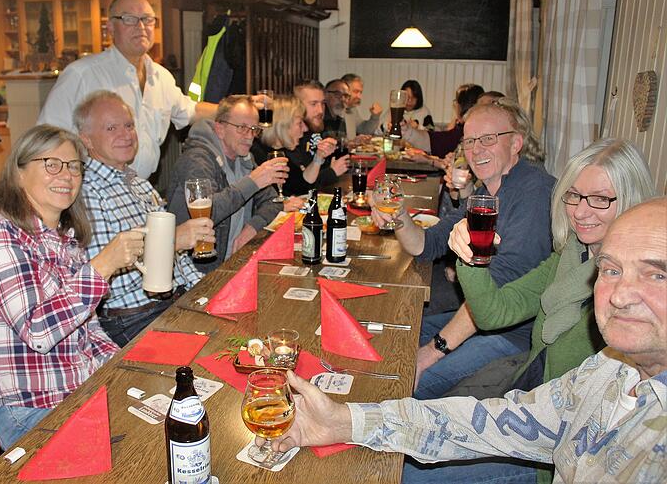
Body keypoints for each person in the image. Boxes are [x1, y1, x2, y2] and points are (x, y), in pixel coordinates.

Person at [259, 197, 667, 484]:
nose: (620, 294)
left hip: (512, 357)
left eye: (657, 274)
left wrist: (433, 351)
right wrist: (343, 420)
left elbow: (495, 317)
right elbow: (490, 422)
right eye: (611, 270)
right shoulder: (608, 368)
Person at [404, 139, 655, 483]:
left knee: (411, 472)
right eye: (574, 196)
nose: (581, 211)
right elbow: (494, 312)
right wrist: (472, 257)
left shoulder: (637, 300)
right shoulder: (570, 255)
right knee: (416, 433)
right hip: (528, 401)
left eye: (600, 199)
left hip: (551, 457)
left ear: (630, 202)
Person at [0, 125, 144, 450]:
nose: (67, 175)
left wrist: (126, 370)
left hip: (79, 390)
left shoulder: (67, 242)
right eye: (52, 164)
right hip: (30, 411)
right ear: (19, 173)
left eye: (74, 166)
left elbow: (91, 332)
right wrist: (103, 265)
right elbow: (38, 331)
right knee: (136, 455)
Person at [373, 99, 556, 400]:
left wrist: (431, 353)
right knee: (393, 335)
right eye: (469, 141)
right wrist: (398, 214)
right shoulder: (487, 192)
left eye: (488, 139)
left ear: (515, 143)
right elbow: (425, 245)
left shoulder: (534, 194)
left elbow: (495, 295)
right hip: (479, 321)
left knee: (403, 382)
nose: (476, 149)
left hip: (511, 338)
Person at [76, 90, 215, 347]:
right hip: (132, 317)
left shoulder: (139, 183)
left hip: (172, 301)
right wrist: (171, 241)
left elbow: (180, 263)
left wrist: (208, 290)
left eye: (129, 125)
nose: (125, 134)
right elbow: (111, 285)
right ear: (86, 139)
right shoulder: (86, 191)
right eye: (111, 128)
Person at [37, 0, 218, 178]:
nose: (140, 27)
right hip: (90, 193)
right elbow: (47, 137)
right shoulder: (82, 74)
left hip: (138, 189)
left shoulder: (161, 77)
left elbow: (189, 111)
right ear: (110, 28)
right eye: (129, 19)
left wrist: (237, 108)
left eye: (147, 19)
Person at [167, 95, 286, 273]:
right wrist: (252, 182)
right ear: (220, 128)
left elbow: (274, 201)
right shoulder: (197, 159)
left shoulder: (245, 159)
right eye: (242, 128)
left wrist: (252, 227)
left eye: (254, 129)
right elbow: (205, 215)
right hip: (197, 272)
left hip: (234, 265)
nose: (250, 136)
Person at [250, 96, 337, 197]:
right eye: (299, 123)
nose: (305, 129)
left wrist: (319, 156)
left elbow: (303, 186)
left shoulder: (285, 151)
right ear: (283, 126)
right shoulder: (256, 154)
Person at [293, 80, 350, 188]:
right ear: (296, 105)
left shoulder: (317, 127)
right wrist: (332, 172)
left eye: (323, 103)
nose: (320, 110)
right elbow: (301, 186)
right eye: (313, 104)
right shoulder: (294, 138)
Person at [403, 83, 484, 158]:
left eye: (456, 101)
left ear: (462, 106)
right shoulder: (462, 128)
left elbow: (436, 140)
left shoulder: (464, 131)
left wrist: (407, 131)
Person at [341, 73, 383, 139]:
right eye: (355, 91)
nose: (359, 96)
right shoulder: (336, 110)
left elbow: (364, 131)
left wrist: (375, 116)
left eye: (360, 92)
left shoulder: (352, 109)